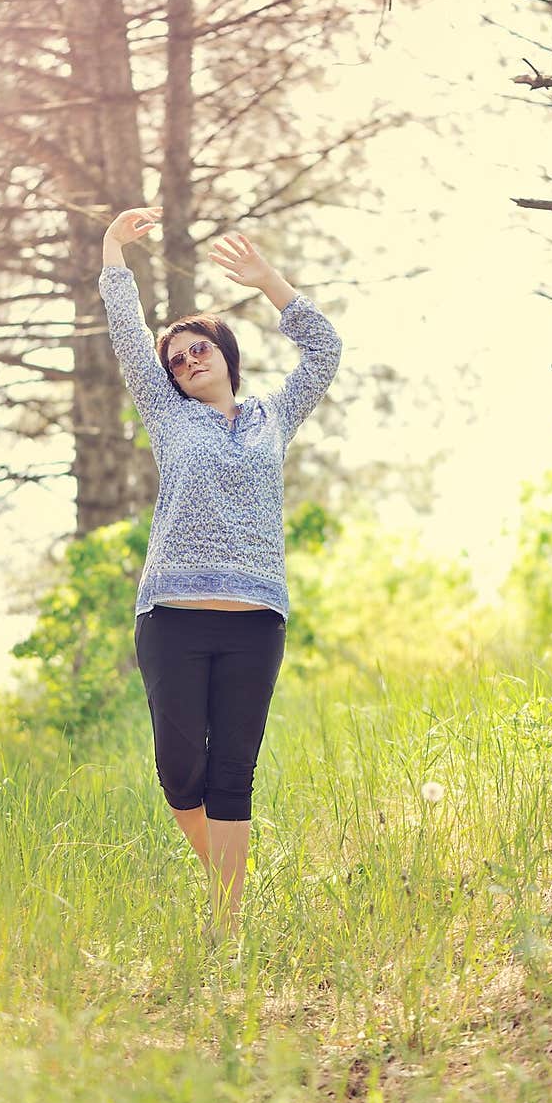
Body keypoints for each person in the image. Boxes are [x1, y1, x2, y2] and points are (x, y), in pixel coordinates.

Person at [99, 205, 342, 943]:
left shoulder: (274, 415)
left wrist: (270, 282)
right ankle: (231, 883)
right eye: (174, 360)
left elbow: (325, 352)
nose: (183, 362)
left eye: (196, 348)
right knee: (181, 773)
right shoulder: (169, 417)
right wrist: (113, 248)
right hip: (172, 617)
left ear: (224, 352)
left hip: (255, 618)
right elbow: (128, 337)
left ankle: (229, 922)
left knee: (235, 772)